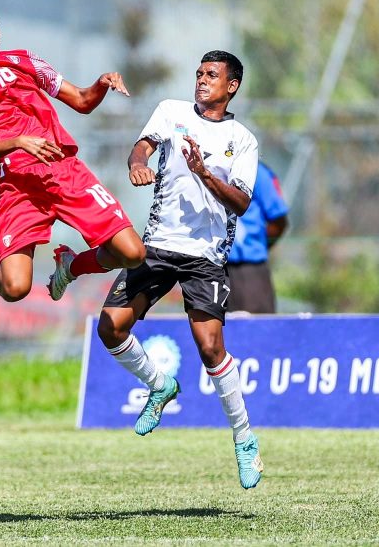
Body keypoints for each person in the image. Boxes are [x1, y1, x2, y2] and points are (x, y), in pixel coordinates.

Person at [98, 50, 264, 489]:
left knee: (210, 349)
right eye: (199, 73)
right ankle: (159, 384)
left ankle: (245, 439)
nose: (202, 80)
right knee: (111, 327)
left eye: (212, 75)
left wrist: (205, 175)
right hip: (158, 246)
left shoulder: (242, 139)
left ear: (232, 86)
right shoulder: (171, 112)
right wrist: (137, 162)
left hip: (204, 256)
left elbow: (242, 202)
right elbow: (144, 144)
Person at [0, 0, 146, 303]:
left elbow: (81, 101)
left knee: (133, 253)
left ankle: (71, 266)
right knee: (15, 289)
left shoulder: (23, 60)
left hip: (65, 172)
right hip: (19, 188)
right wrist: (19, 142)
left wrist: (100, 84)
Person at [226, 161, 289, 313]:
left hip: (249, 271)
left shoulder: (256, 172)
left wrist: (256, 246)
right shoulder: (204, 167)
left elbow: (278, 222)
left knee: (258, 330)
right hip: (210, 268)